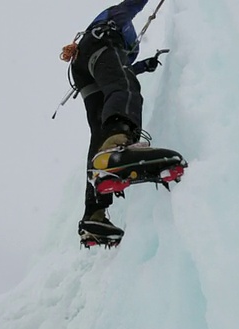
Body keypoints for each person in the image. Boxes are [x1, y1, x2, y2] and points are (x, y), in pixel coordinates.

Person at [63, 0, 164, 246]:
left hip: (83, 71)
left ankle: (94, 214)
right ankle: (118, 146)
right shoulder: (116, 17)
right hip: (100, 45)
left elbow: (116, 69)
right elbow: (132, 5)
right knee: (126, 88)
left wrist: (142, 65)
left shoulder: (118, 49)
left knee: (99, 131)